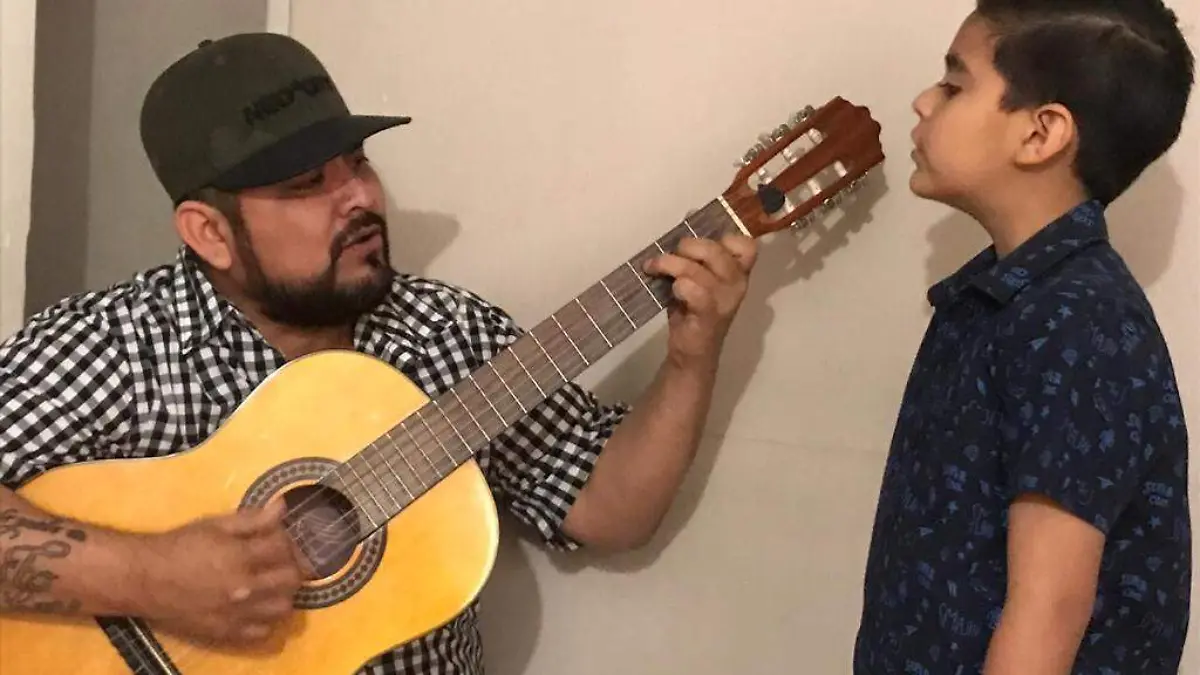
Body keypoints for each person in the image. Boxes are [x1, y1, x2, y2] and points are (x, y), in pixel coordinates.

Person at [0, 33, 757, 674]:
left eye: (357, 162)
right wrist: (149, 576)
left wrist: (692, 357)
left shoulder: (444, 331)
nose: (360, 197)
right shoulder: (115, 346)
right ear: (210, 233)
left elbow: (608, 510)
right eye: (308, 183)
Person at [854, 1, 1193, 673]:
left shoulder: (1079, 323)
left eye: (954, 85)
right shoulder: (1002, 298)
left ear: (1041, 133)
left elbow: (1048, 608)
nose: (923, 102)